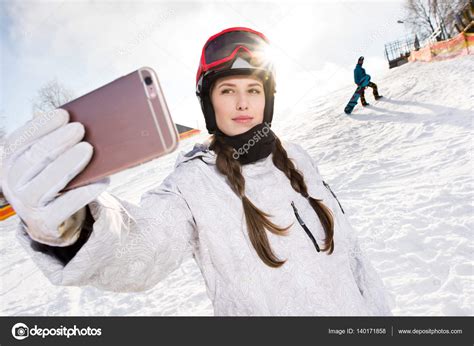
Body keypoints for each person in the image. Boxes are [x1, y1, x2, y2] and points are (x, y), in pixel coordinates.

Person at [1, 27, 392, 316]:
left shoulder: (298, 158)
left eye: (253, 90)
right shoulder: (193, 184)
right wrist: (74, 227)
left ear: (267, 99)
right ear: (209, 104)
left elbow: (351, 256)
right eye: (227, 90)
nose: (242, 103)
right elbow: (141, 250)